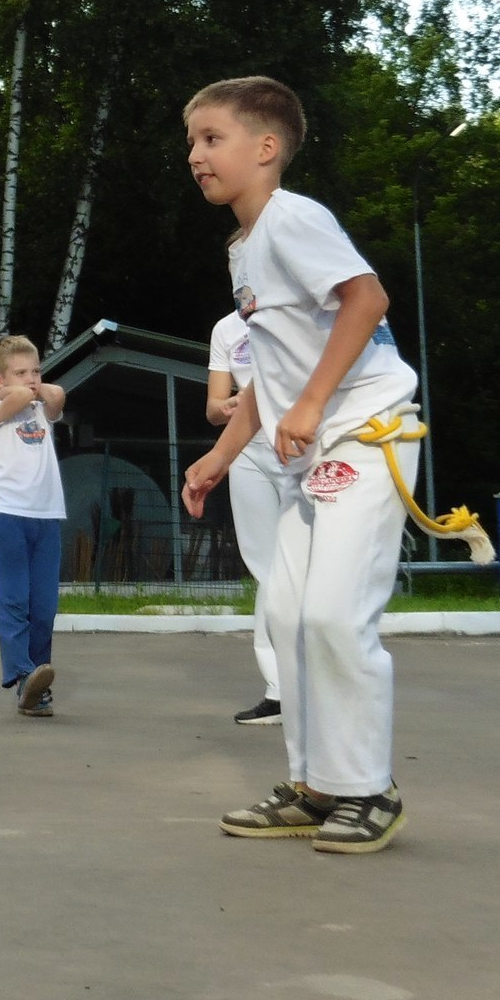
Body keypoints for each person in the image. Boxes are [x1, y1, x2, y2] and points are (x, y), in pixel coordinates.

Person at [179, 76, 418, 855]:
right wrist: (219, 454)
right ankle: (318, 787)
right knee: (286, 616)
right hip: (307, 451)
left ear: (267, 147)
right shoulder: (245, 246)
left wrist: (314, 404)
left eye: (212, 138)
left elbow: (368, 300)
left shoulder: (293, 218)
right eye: (192, 142)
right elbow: (272, 373)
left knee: (331, 614)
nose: (196, 155)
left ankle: (370, 790)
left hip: (365, 432)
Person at [0, 335, 67, 716]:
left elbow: (59, 397)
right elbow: (14, 400)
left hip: (47, 516)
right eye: (19, 373)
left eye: (35, 371)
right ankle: (22, 672)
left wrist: (38, 388)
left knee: (43, 607)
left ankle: (34, 687)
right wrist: (25, 390)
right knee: (13, 600)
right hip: (9, 515)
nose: (31, 379)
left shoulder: (41, 409)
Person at [206, 306, 282, 727]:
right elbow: (214, 409)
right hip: (247, 451)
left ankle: (317, 687)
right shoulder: (227, 327)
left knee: (305, 566)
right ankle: (278, 692)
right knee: (267, 570)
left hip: (301, 448)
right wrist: (230, 404)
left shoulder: (298, 308)